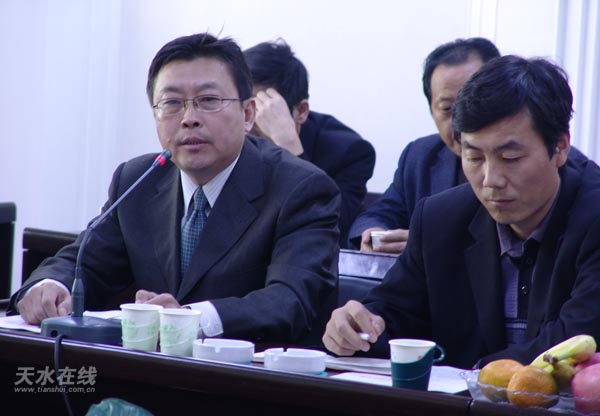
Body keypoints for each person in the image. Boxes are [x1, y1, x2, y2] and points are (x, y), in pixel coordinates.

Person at [9, 33, 341, 345]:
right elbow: (85, 262)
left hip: (253, 377)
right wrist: (49, 285)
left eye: (208, 100)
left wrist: (189, 318)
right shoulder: (139, 179)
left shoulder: (300, 189)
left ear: (247, 113)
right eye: (171, 102)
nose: (189, 118)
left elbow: (290, 301)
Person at [323, 55, 600, 369]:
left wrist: (475, 377)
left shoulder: (592, 216)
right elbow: (394, 314)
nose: (490, 180)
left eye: (510, 158)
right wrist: (358, 329)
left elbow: (575, 342)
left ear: (560, 147)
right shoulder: (440, 220)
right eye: (474, 158)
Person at [347, 38, 587, 253]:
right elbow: (379, 215)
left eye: (510, 157)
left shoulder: (571, 173)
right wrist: (375, 235)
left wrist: (430, 247)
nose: (461, 120)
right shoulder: (420, 156)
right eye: (447, 108)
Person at [243, 39, 375, 247]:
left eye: (262, 109)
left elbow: (332, 230)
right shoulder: (223, 137)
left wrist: (288, 146)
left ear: (301, 111)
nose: (249, 122)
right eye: (244, 108)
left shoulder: (349, 152)